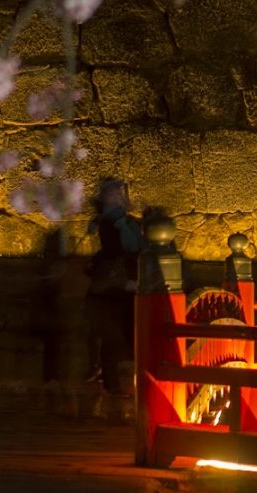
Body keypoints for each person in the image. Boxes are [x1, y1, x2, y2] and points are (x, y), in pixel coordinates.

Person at [86, 179, 143, 418]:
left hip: (123, 286)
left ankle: (116, 381)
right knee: (114, 337)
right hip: (113, 287)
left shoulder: (125, 222)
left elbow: (136, 247)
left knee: (126, 335)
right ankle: (111, 383)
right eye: (111, 194)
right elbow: (124, 248)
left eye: (118, 193)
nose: (116, 197)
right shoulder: (105, 223)